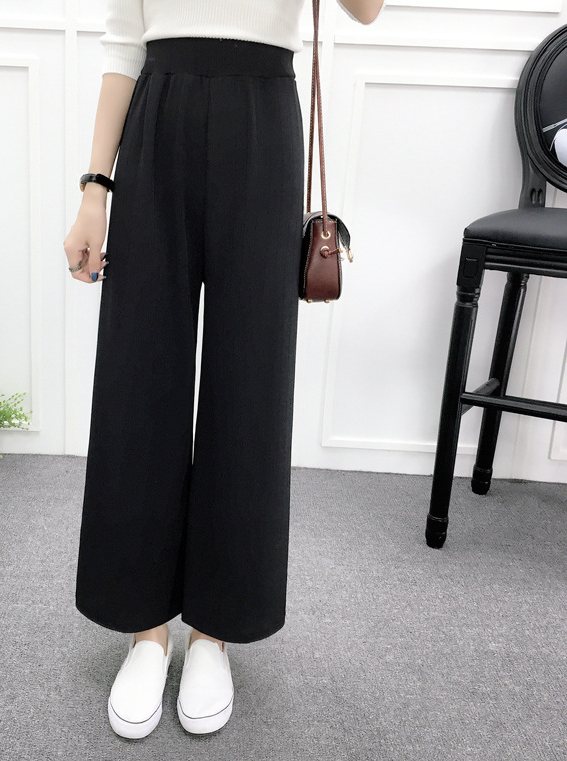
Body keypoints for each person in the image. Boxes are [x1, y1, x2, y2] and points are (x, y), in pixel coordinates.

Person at [63, 0, 384, 739]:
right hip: (157, 118)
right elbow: (122, 43)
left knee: (251, 379)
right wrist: (94, 191)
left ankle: (214, 632)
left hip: (263, 117)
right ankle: (146, 631)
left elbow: (366, 10)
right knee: (138, 373)